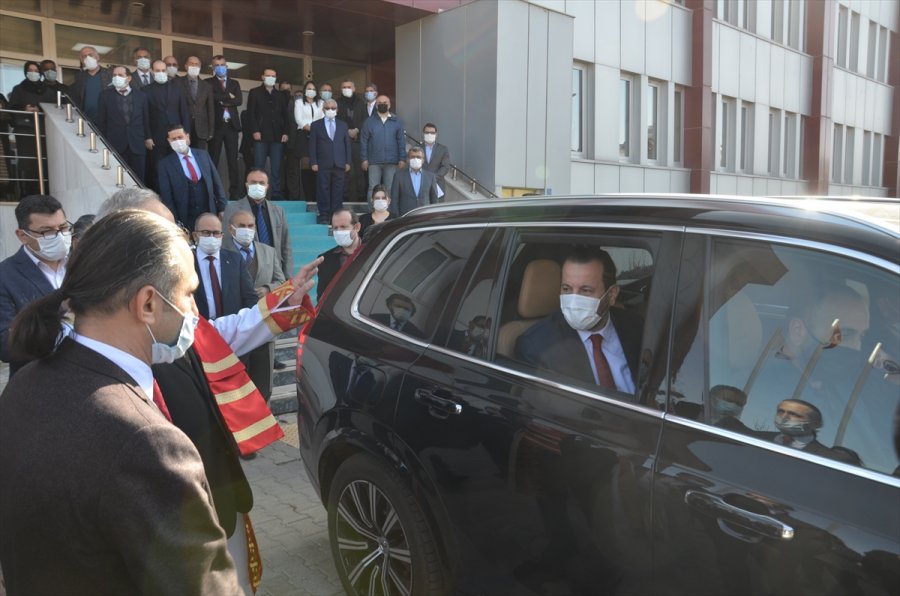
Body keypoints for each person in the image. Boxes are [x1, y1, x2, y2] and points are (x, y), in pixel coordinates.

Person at [0, 209, 241, 594]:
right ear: (148, 304)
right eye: (188, 293)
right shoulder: (147, 442)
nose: (195, 312)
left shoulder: (24, 384)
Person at [95, 188, 321, 594]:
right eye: (165, 233)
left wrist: (287, 299)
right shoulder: (91, 364)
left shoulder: (173, 318)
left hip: (215, 491)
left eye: (177, 232)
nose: (181, 244)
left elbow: (216, 333)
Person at [516, 246, 643, 393]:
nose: (574, 301)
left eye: (586, 290)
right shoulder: (536, 346)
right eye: (566, 289)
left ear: (612, 295)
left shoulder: (636, 325)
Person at [0, 195, 71, 377]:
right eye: (47, 232)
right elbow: (6, 345)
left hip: (91, 376)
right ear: (22, 236)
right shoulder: (5, 276)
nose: (59, 236)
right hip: (40, 381)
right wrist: (60, 310)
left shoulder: (83, 262)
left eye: (63, 228)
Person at [225, 209, 286, 401]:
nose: (247, 229)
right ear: (231, 229)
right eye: (242, 226)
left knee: (263, 383)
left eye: (250, 226)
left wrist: (268, 288)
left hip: (263, 324)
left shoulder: (268, 251)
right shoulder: (223, 251)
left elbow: (281, 281)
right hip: (234, 326)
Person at [223, 168, 293, 280]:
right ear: (247, 185)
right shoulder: (232, 209)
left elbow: (285, 246)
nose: (257, 186)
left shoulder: (278, 211)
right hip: (247, 270)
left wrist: (288, 277)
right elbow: (227, 242)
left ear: (267, 186)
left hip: (274, 270)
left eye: (261, 183)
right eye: (253, 182)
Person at [157, 123, 226, 230]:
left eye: (180, 137)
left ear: (187, 137)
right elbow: (167, 197)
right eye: (174, 139)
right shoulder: (164, 165)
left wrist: (222, 208)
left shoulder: (203, 155)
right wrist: (175, 221)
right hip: (185, 218)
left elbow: (216, 183)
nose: (177, 141)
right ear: (169, 142)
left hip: (209, 213)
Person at [192, 212, 257, 321]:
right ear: (195, 235)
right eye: (206, 232)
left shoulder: (235, 260)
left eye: (216, 233)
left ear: (222, 235)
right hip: (199, 327)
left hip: (231, 326)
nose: (212, 237)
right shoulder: (186, 261)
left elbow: (250, 297)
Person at [95, 65, 152, 183]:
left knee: (138, 179)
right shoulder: (105, 95)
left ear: (129, 78)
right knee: (118, 179)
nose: (116, 77)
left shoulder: (141, 96)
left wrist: (148, 137)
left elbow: (146, 119)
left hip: (137, 143)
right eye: (114, 75)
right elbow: (101, 121)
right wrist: (104, 143)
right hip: (115, 144)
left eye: (120, 75)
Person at [760, 399, 861, 465]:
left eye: (794, 414)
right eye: (781, 411)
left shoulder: (830, 459)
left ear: (815, 424)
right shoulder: (756, 437)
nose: (784, 417)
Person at [144, 59, 191, 187]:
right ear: (152, 72)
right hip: (156, 138)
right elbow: (145, 116)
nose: (161, 73)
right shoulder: (145, 90)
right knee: (158, 170)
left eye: (163, 70)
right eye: (157, 70)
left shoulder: (178, 89)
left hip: (177, 137)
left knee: (178, 168)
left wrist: (187, 133)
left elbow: (184, 113)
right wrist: (147, 136)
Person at [8, 61, 51, 196]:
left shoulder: (46, 89)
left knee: (45, 163)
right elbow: (12, 108)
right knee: (28, 164)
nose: (33, 73)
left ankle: (46, 193)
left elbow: (53, 106)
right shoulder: (18, 89)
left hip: (44, 131)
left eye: (36, 71)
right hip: (25, 132)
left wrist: (41, 109)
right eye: (30, 70)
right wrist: (24, 109)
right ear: (26, 72)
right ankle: (27, 193)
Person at [247, 67, 290, 200]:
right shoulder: (255, 92)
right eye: (268, 75)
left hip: (277, 136)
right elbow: (250, 114)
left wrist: (285, 132)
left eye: (273, 76)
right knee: (259, 167)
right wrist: (255, 130)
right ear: (262, 77)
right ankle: (256, 194)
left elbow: (285, 116)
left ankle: (276, 194)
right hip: (261, 135)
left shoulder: (280, 95)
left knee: (276, 168)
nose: (271, 78)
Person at [309, 98, 351, 225]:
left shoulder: (343, 125)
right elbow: (312, 145)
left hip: (340, 163)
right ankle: (324, 215)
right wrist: (313, 162)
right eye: (327, 108)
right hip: (322, 163)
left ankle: (336, 215)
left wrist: (348, 162)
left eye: (333, 108)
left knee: (338, 191)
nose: (330, 110)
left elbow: (347, 145)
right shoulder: (315, 125)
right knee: (323, 189)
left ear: (337, 110)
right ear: (323, 110)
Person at [207, 55, 243, 199]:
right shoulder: (208, 82)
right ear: (213, 67)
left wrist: (222, 101)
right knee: (213, 160)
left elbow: (239, 100)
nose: (220, 67)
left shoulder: (235, 83)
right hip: (216, 126)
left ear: (226, 66)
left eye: (222, 64)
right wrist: (228, 97)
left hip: (232, 126)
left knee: (233, 161)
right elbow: (212, 98)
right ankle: (212, 192)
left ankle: (234, 193)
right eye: (217, 65)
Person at [360, 94, 405, 203]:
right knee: (372, 188)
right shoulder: (369, 121)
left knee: (389, 188)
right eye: (379, 103)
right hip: (374, 161)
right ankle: (371, 211)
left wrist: (402, 158)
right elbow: (363, 141)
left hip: (391, 161)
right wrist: (364, 159)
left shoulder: (396, 121)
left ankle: (388, 212)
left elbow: (401, 141)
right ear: (376, 105)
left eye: (385, 103)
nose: (382, 105)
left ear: (389, 105)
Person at [316, 207, 362, 302]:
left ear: (357, 227)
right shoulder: (324, 260)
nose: (339, 232)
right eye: (335, 228)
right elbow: (322, 298)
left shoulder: (372, 252)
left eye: (343, 227)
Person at [291, 80, 324, 204]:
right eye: (309, 88)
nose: (311, 91)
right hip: (303, 136)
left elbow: (323, 118)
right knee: (306, 165)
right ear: (305, 90)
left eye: (313, 89)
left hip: (318, 136)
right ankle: (308, 198)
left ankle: (316, 198)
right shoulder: (299, 102)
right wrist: (309, 127)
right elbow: (298, 119)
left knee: (317, 166)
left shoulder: (321, 103)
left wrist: (315, 130)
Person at [336, 79, 367, 203]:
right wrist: (347, 131)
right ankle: (344, 199)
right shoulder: (337, 103)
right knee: (344, 172)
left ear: (354, 89)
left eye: (349, 87)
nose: (346, 89)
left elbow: (365, 119)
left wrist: (356, 130)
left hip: (358, 142)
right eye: (344, 87)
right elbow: (335, 119)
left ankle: (361, 199)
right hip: (342, 143)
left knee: (359, 173)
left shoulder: (361, 103)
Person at [177, 55, 215, 151]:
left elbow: (210, 109)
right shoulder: (177, 82)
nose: (194, 66)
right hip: (182, 127)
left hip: (201, 129)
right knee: (183, 155)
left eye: (196, 64)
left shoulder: (207, 86)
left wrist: (211, 131)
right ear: (186, 66)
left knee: (199, 155)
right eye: (191, 64)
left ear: (200, 67)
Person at [390, 146, 441, 217]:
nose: (415, 159)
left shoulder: (431, 177)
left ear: (423, 160)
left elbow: (434, 200)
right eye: (412, 157)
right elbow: (394, 200)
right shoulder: (398, 176)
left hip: (425, 217)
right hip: (405, 217)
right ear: (408, 159)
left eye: (418, 157)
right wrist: (397, 218)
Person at [68, 46, 111, 121]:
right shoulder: (79, 77)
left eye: (90, 55)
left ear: (98, 57)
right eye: (84, 56)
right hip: (86, 119)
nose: (88, 58)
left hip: (107, 119)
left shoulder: (110, 74)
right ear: (81, 60)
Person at [421, 122, 450, 192]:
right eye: (427, 132)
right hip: (421, 185)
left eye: (432, 132)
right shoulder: (417, 148)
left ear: (436, 134)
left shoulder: (443, 149)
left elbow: (445, 167)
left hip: (437, 185)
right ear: (423, 134)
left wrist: (432, 178)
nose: (429, 134)